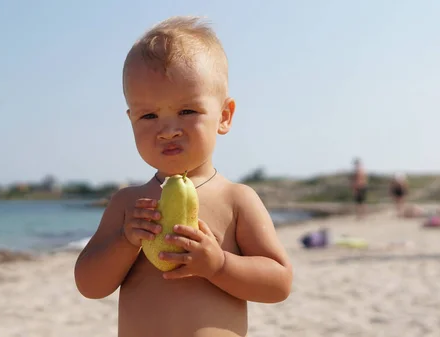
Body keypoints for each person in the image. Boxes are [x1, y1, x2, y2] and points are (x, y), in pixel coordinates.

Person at [74, 16, 293, 337]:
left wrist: (219, 265)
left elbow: (279, 283)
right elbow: (89, 286)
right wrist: (124, 241)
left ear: (224, 116)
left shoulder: (236, 199)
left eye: (187, 111)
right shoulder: (128, 204)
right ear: (131, 120)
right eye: (148, 115)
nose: (167, 130)